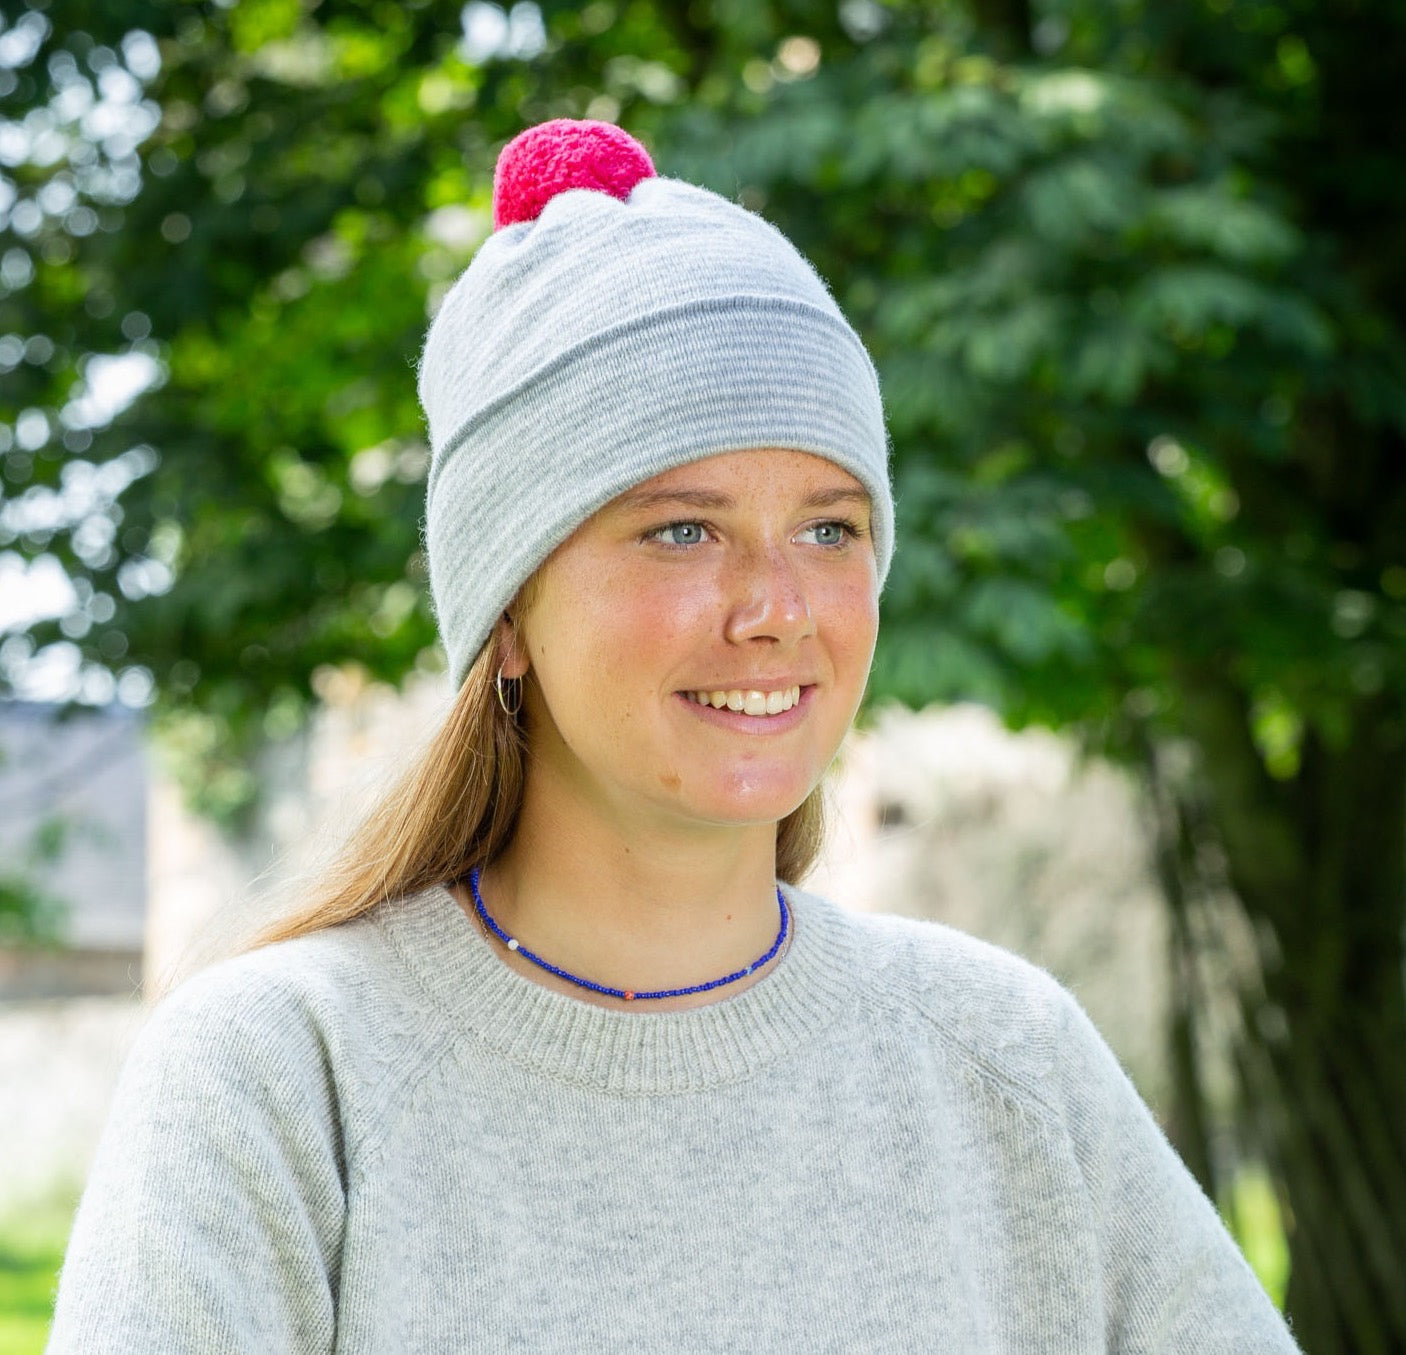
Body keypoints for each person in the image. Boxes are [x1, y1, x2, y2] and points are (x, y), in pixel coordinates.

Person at [48, 119, 1300, 1353]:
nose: (776, 609)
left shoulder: (1006, 1055)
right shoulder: (279, 1075)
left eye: (828, 528)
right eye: (681, 530)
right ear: (510, 611)